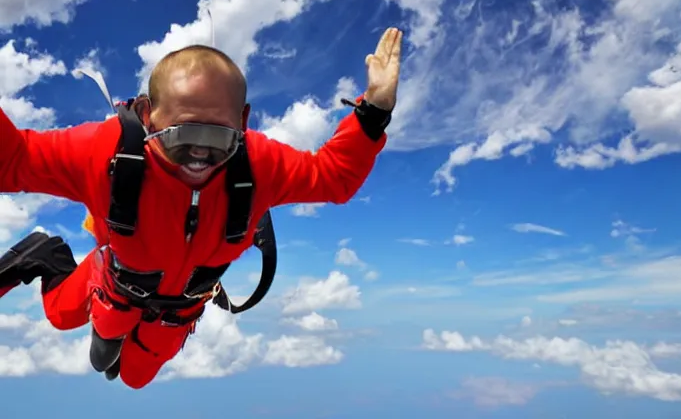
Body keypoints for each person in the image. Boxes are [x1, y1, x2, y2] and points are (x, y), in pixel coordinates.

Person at [0, 26, 403, 389]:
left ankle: (115, 329)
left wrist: (373, 113)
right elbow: (11, 162)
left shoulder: (258, 165)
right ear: (147, 114)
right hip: (118, 285)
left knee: (134, 377)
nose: (198, 154)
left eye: (218, 137)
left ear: (243, 122)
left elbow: (332, 178)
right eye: (182, 134)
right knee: (71, 324)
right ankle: (47, 255)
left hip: (179, 310)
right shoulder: (106, 153)